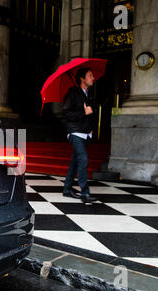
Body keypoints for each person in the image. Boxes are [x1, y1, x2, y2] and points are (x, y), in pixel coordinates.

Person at [62, 68, 98, 203]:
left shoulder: (88, 95)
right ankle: (85, 192)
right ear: (83, 79)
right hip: (75, 132)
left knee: (75, 162)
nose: (93, 78)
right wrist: (84, 113)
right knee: (83, 159)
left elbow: (91, 115)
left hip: (85, 134)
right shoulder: (73, 93)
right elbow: (66, 114)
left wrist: (92, 129)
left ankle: (67, 189)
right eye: (90, 75)